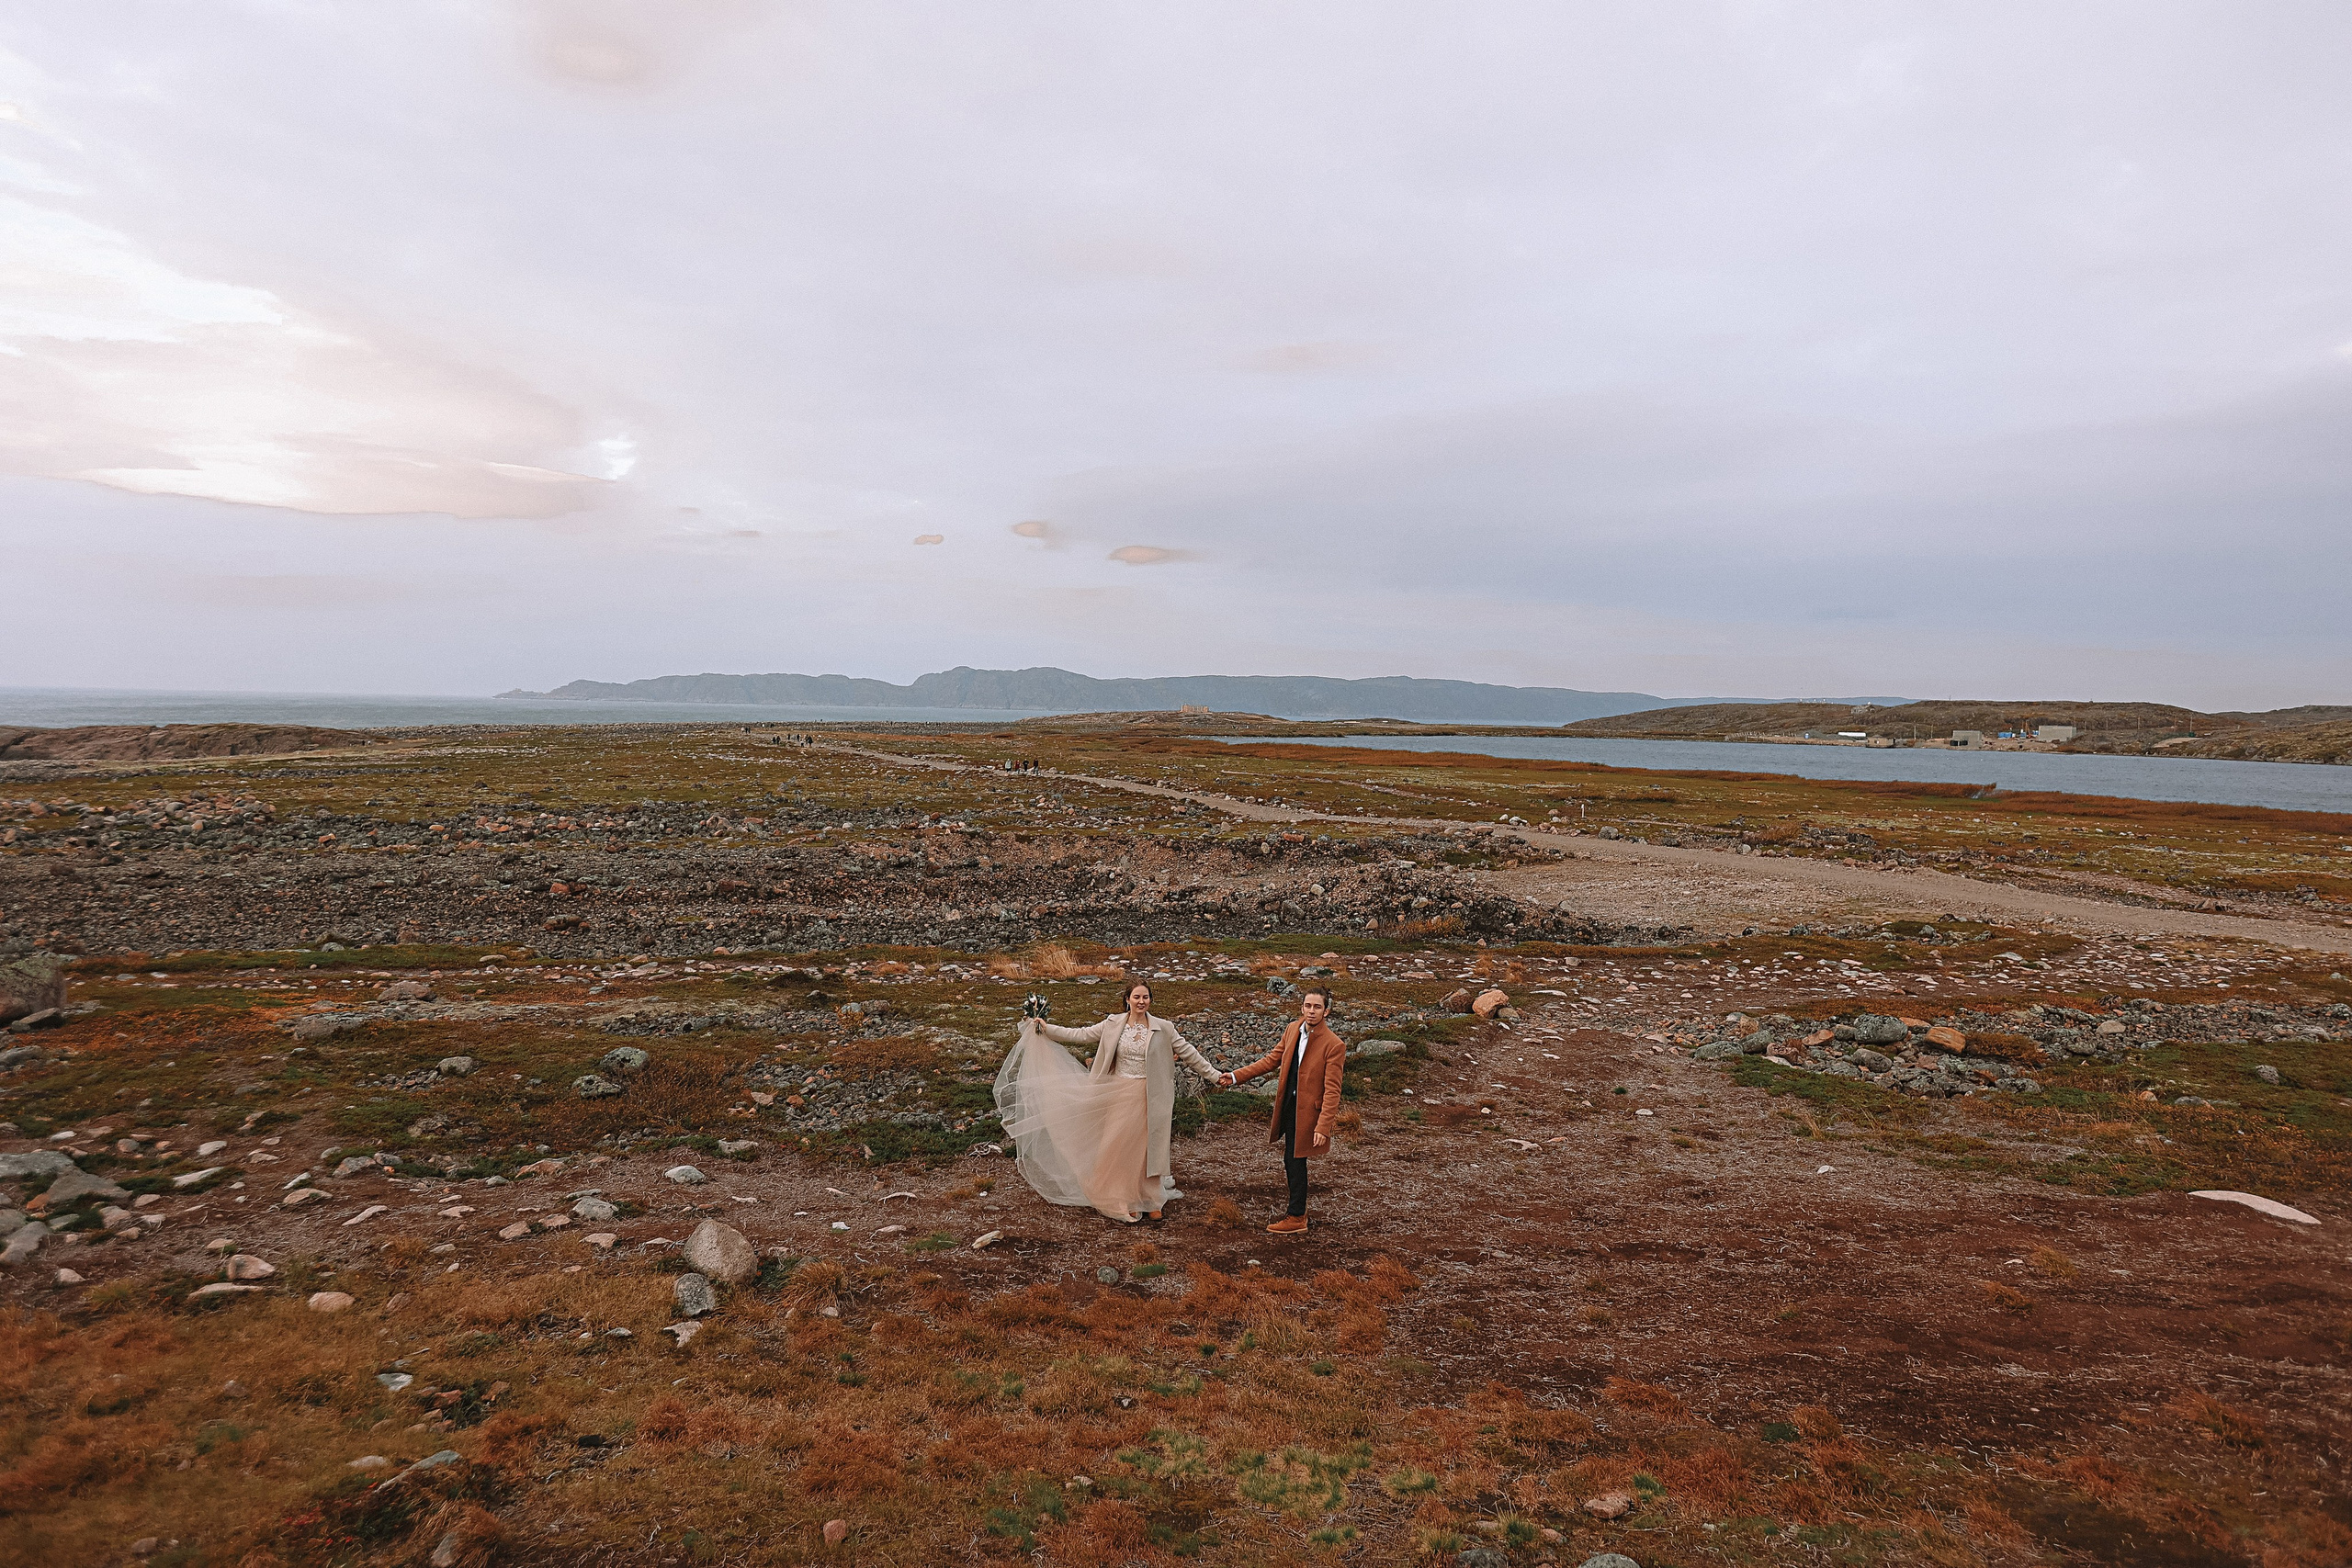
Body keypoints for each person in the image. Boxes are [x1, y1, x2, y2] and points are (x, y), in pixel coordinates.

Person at [993, 980, 1227, 1223]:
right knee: (1118, 1145)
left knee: (1147, 1148)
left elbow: (1189, 1053)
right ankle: (1123, 1197)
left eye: (1145, 997)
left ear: (1150, 1000)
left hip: (1151, 1096)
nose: (1141, 1002)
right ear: (1127, 999)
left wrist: (1214, 1075)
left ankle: (1150, 1198)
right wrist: (1047, 1028)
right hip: (1119, 1092)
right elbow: (1081, 1035)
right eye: (1136, 997)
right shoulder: (1113, 1023)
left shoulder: (1164, 1028)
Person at [1227, 986, 1345, 1235]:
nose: (1311, 1011)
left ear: (1327, 1011)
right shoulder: (1292, 1029)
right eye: (1308, 1006)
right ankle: (1297, 1212)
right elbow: (1271, 1060)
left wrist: (1323, 1126)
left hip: (1309, 1114)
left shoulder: (1334, 1045)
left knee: (1295, 1160)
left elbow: (1332, 1090)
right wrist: (1236, 1077)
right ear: (1301, 1007)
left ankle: (1297, 1216)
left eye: (1317, 1007)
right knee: (1290, 1159)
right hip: (1289, 1107)